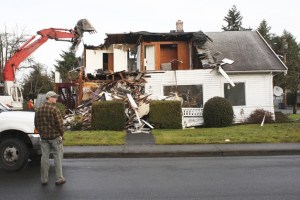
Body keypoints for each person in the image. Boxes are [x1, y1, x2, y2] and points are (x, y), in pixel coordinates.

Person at [34, 91, 66, 185]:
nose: (56, 98)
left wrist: (41, 132)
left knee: (44, 157)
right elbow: (60, 124)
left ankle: (44, 179)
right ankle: (59, 178)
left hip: (43, 137)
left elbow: (36, 124)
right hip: (55, 137)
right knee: (57, 157)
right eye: (55, 97)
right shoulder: (54, 109)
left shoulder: (38, 109)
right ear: (49, 98)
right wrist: (61, 134)